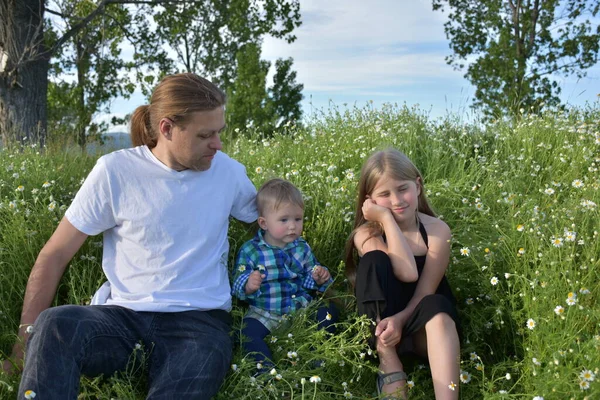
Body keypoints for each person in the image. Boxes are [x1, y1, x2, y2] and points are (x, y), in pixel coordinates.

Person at [1, 73, 258, 399]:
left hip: (199, 327)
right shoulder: (114, 172)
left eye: (219, 133)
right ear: (167, 128)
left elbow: (271, 227)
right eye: (205, 135)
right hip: (121, 321)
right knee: (55, 324)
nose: (218, 145)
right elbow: (55, 254)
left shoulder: (229, 173)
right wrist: (25, 339)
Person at [344, 149, 460, 400]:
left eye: (402, 188)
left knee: (437, 306)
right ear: (369, 201)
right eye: (384, 195)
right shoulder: (367, 234)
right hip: (383, 332)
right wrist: (386, 220)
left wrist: (400, 319)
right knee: (375, 259)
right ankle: (388, 358)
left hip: (425, 330)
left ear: (418, 186)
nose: (397, 200)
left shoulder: (437, 230)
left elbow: (421, 286)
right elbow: (406, 271)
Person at [231, 178, 337, 370]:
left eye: (298, 219)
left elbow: (309, 275)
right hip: (265, 311)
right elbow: (237, 279)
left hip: (300, 308)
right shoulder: (251, 251)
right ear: (263, 223)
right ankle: (264, 371)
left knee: (327, 313)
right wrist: (248, 283)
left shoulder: (302, 248)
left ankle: (317, 354)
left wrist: (319, 276)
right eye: (284, 220)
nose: (292, 226)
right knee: (245, 332)